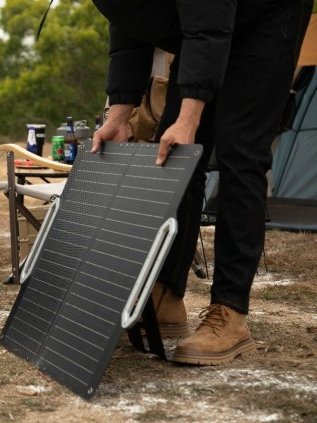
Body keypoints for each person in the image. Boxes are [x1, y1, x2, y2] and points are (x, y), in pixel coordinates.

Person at [90, 0, 313, 365]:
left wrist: (190, 117)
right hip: (208, 28)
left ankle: (230, 314)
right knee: (174, 155)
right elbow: (129, 26)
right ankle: (166, 295)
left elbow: (209, 20)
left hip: (267, 14)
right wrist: (120, 113)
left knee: (240, 152)